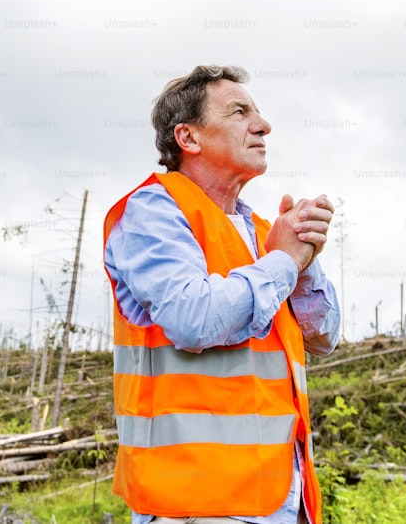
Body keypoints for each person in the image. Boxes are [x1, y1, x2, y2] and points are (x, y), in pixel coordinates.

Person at [103, 65, 341, 524]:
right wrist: (285, 262)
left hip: (282, 499)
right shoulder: (151, 211)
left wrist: (304, 265)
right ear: (188, 138)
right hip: (194, 502)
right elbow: (195, 319)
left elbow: (322, 337)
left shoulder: (264, 232)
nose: (263, 125)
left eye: (259, 112)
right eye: (239, 111)